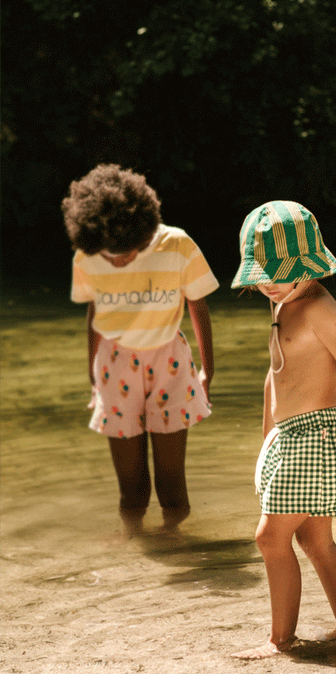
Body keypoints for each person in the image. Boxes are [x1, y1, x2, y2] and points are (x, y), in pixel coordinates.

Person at [230, 201, 336, 659]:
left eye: (278, 275)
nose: (268, 285)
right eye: (261, 277)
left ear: (306, 266)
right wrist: (267, 437)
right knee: (314, 539)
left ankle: (281, 641)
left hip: (316, 433)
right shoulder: (285, 304)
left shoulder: (317, 306)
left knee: (269, 537)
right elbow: (275, 375)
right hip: (292, 436)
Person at [62, 164, 219, 536]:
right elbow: (94, 311)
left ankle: (175, 539)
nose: (117, 261)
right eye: (109, 255)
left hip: (170, 361)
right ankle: (133, 549)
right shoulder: (88, 255)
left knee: (171, 482)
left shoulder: (177, 245)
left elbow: (197, 304)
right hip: (114, 366)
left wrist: (208, 370)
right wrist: (92, 375)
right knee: (130, 486)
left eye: (126, 254)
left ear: (144, 230)